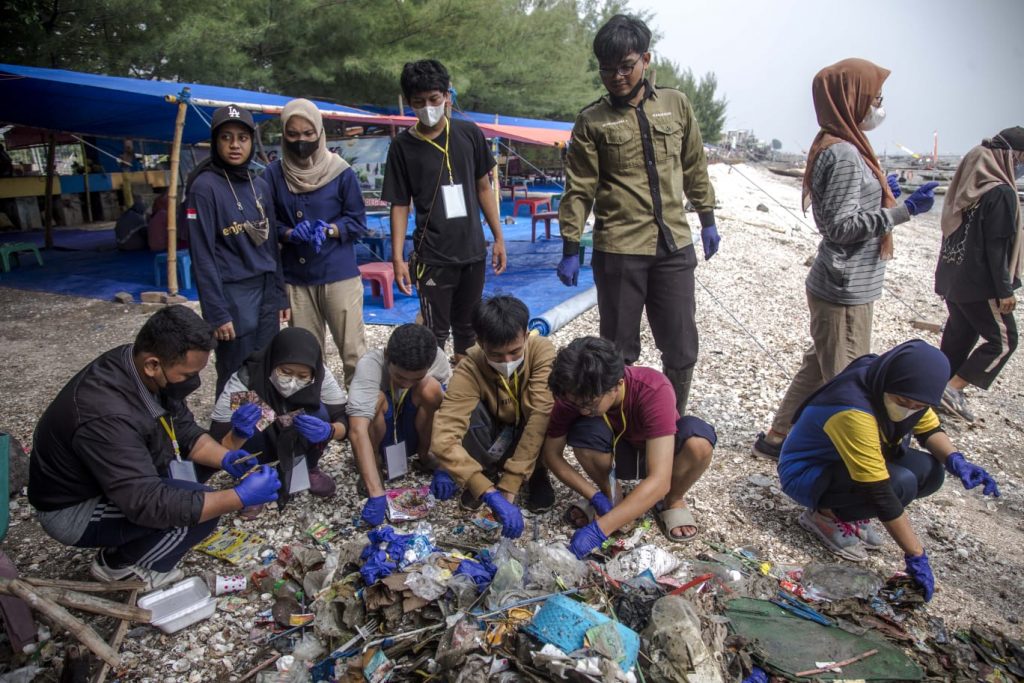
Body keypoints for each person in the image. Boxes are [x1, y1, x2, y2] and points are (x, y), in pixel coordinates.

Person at [752, 58, 940, 459]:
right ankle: (828, 456)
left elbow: (844, 207)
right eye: (875, 98)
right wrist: (902, 211)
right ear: (850, 98)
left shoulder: (841, 144)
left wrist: (878, 190)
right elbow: (839, 226)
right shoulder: (845, 154)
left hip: (845, 281)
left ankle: (778, 436)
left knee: (818, 367)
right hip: (844, 285)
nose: (879, 107)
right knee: (847, 377)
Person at [27, 306, 280, 590]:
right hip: (73, 508)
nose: (193, 382)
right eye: (186, 375)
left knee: (201, 482)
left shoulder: (139, 366)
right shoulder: (107, 415)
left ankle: (131, 548)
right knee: (201, 515)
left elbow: (184, 431)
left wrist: (226, 457)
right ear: (153, 365)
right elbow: (146, 503)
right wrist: (237, 498)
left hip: (116, 477)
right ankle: (119, 566)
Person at [556, 14, 719, 417]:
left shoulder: (675, 104)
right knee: (617, 350)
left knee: (681, 345)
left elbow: (694, 165)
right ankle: (621, 428)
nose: (616, 77)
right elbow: (579, 187)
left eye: (625, 66)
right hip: (619, 250)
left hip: (674, 245)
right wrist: (570, 245)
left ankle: (671, 420)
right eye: (606, 69)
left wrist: (708, 217)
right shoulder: (591, 120)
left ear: (645, 58)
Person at [778, 340, 1000, 600]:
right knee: (900, 484)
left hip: (843, 464)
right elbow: (881, 493)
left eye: (917, 406)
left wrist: (956, 460)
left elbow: (928, 429)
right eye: (902, 401)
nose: (908, 410)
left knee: (930, 471)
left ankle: (848, 513)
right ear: (889, 382)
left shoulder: (907, 391)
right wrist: (916, 555)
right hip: (807, 473)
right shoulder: (851, 408)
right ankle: (824, 516)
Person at [542, 337, 717, 558]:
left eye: (591, 404)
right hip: (613, 453)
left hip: (655, 453)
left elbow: (660, 478)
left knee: (698, 443)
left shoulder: (653, 388)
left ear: (618, 384)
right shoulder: (576, 392)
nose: (584, 410)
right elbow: (552, 454)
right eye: (578, 405)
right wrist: (594, 495)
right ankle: (611, 495)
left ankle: (672, 500)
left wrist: (600, 530)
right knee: (584, 432)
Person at [383, 59, 507, 364]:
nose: (428, 107)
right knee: (433, 332)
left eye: (434, 99)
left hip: (473, 252)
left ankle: (464, 396)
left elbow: (483, 188)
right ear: (410, 103)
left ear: (447, 96)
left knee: (468, 329)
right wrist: (398, 258)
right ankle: (431, 397)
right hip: (433, 256)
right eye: (419, 102)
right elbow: (400, 204)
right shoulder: (402, 147)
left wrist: (499, 238)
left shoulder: (468, 133)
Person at [430, 295, 556, 538]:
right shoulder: (469, 366)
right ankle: (484, 471)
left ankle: (538, 472)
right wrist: (485, 490)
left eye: (515, 351)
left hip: (529, 430)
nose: (507, 361)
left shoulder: (541, 351)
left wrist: (511, 482)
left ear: (526, 334)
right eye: (497, 355)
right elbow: (443, 438)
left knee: (552, 411)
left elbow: (540, 417)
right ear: (480, 342)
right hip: (494, 431)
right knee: (468, 412)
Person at [186, 104, 289, 396]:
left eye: (242, 138)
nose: (234, 145)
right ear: (215, 142)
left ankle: (261, 431)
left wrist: (280, 293)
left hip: (266, 288)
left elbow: (271, 245)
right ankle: (230, 435)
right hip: (233, 293)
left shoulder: (259, 185)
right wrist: (216, 312)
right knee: (236, 370)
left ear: (251, 142)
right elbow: (202, 254)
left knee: (267, 363)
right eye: (226, 137)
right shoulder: (204, 187)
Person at [265, 99, 369, 384]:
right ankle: (315, 418)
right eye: (293, 134)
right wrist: (288, 233)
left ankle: (362, 417)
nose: (301, 141)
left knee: (353, 352)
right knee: (304, 356)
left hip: (338, 274)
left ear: (320, 133)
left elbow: (358, 221)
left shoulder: (341, 171)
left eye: (308, 134)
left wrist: (330, 230)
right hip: (296, 279)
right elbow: (265, 221)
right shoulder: (273, 174)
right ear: (284, 136)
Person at [934, 126, 1024, 423]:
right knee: (1005, 341)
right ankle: (951, 389)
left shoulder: (967, 186)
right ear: (1011, 158)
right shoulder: (1000, 193)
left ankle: (931, 391)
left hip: (953, 280)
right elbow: (996, 248)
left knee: (960, 337)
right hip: (980, 286)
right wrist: (1004, 290)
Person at [210, 327, 348, 508]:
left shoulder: (321, 375)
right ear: (273, 362)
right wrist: (237, 433)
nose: (292, 382)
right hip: (264, 429)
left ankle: (308, 466)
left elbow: (343, 419)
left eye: (302, 376)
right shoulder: (245, 379)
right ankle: (254, 476)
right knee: (254, 411)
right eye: (285, 372)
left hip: (295, 425)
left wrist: (329, 431)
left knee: (319, 413)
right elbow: (216, 443)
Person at [347, 324, 451, 526]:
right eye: (400, 377)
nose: (407, 384)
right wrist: (376, 493)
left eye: (415, 378)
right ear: (387, 356)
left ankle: (426, 455)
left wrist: (447, 464)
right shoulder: (370, 365)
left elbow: (449, 415)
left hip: (411, 426)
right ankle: (375, 466)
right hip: (383, 430)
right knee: (374, 399)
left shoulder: (436, 357)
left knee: (432, 388)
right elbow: (357, 429)